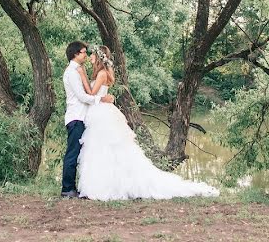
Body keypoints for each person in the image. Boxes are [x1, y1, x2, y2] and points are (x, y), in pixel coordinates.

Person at [76, 45, 219, 201]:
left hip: (102, 113)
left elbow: (91, 93)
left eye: (92, 55)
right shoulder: (104, 73)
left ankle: (106, 185)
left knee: (104, 148)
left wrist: (82, 75)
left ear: (98, 57)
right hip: (102, 111)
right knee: (105, 149)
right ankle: (108, 182)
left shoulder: (102, 73)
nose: (90, 57)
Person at [61, 41, 115, 198]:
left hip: (84, 117)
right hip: (76, 117)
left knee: (81, 153)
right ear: (76, 54)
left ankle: (75, 187)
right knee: (73, 153)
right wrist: (102, 99)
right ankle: (67, 189)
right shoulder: (72, 72)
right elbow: (83, 97)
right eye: (84, 52)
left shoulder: (79, 70)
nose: (86, 55)